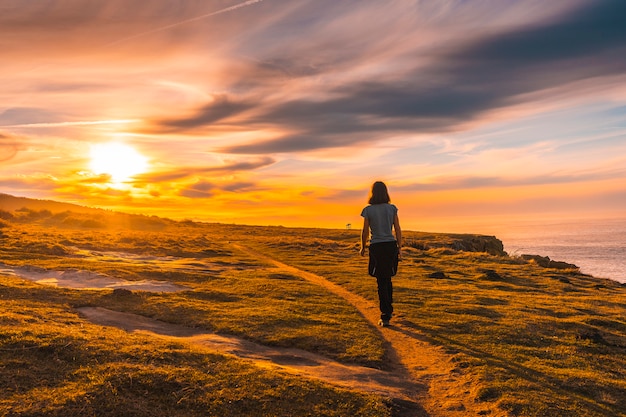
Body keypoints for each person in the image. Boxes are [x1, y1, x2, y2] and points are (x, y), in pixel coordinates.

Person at [360, 181, 402, 327]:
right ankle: (388, 309)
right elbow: (397, 228)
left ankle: (385, 314)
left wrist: (363, 247)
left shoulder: (368, 210)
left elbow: (365, 231)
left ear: (373, 193)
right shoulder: (392, 209)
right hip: (390, 246)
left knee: (381, 280)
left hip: (376, 246)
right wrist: (400, 248)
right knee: (387, 277)